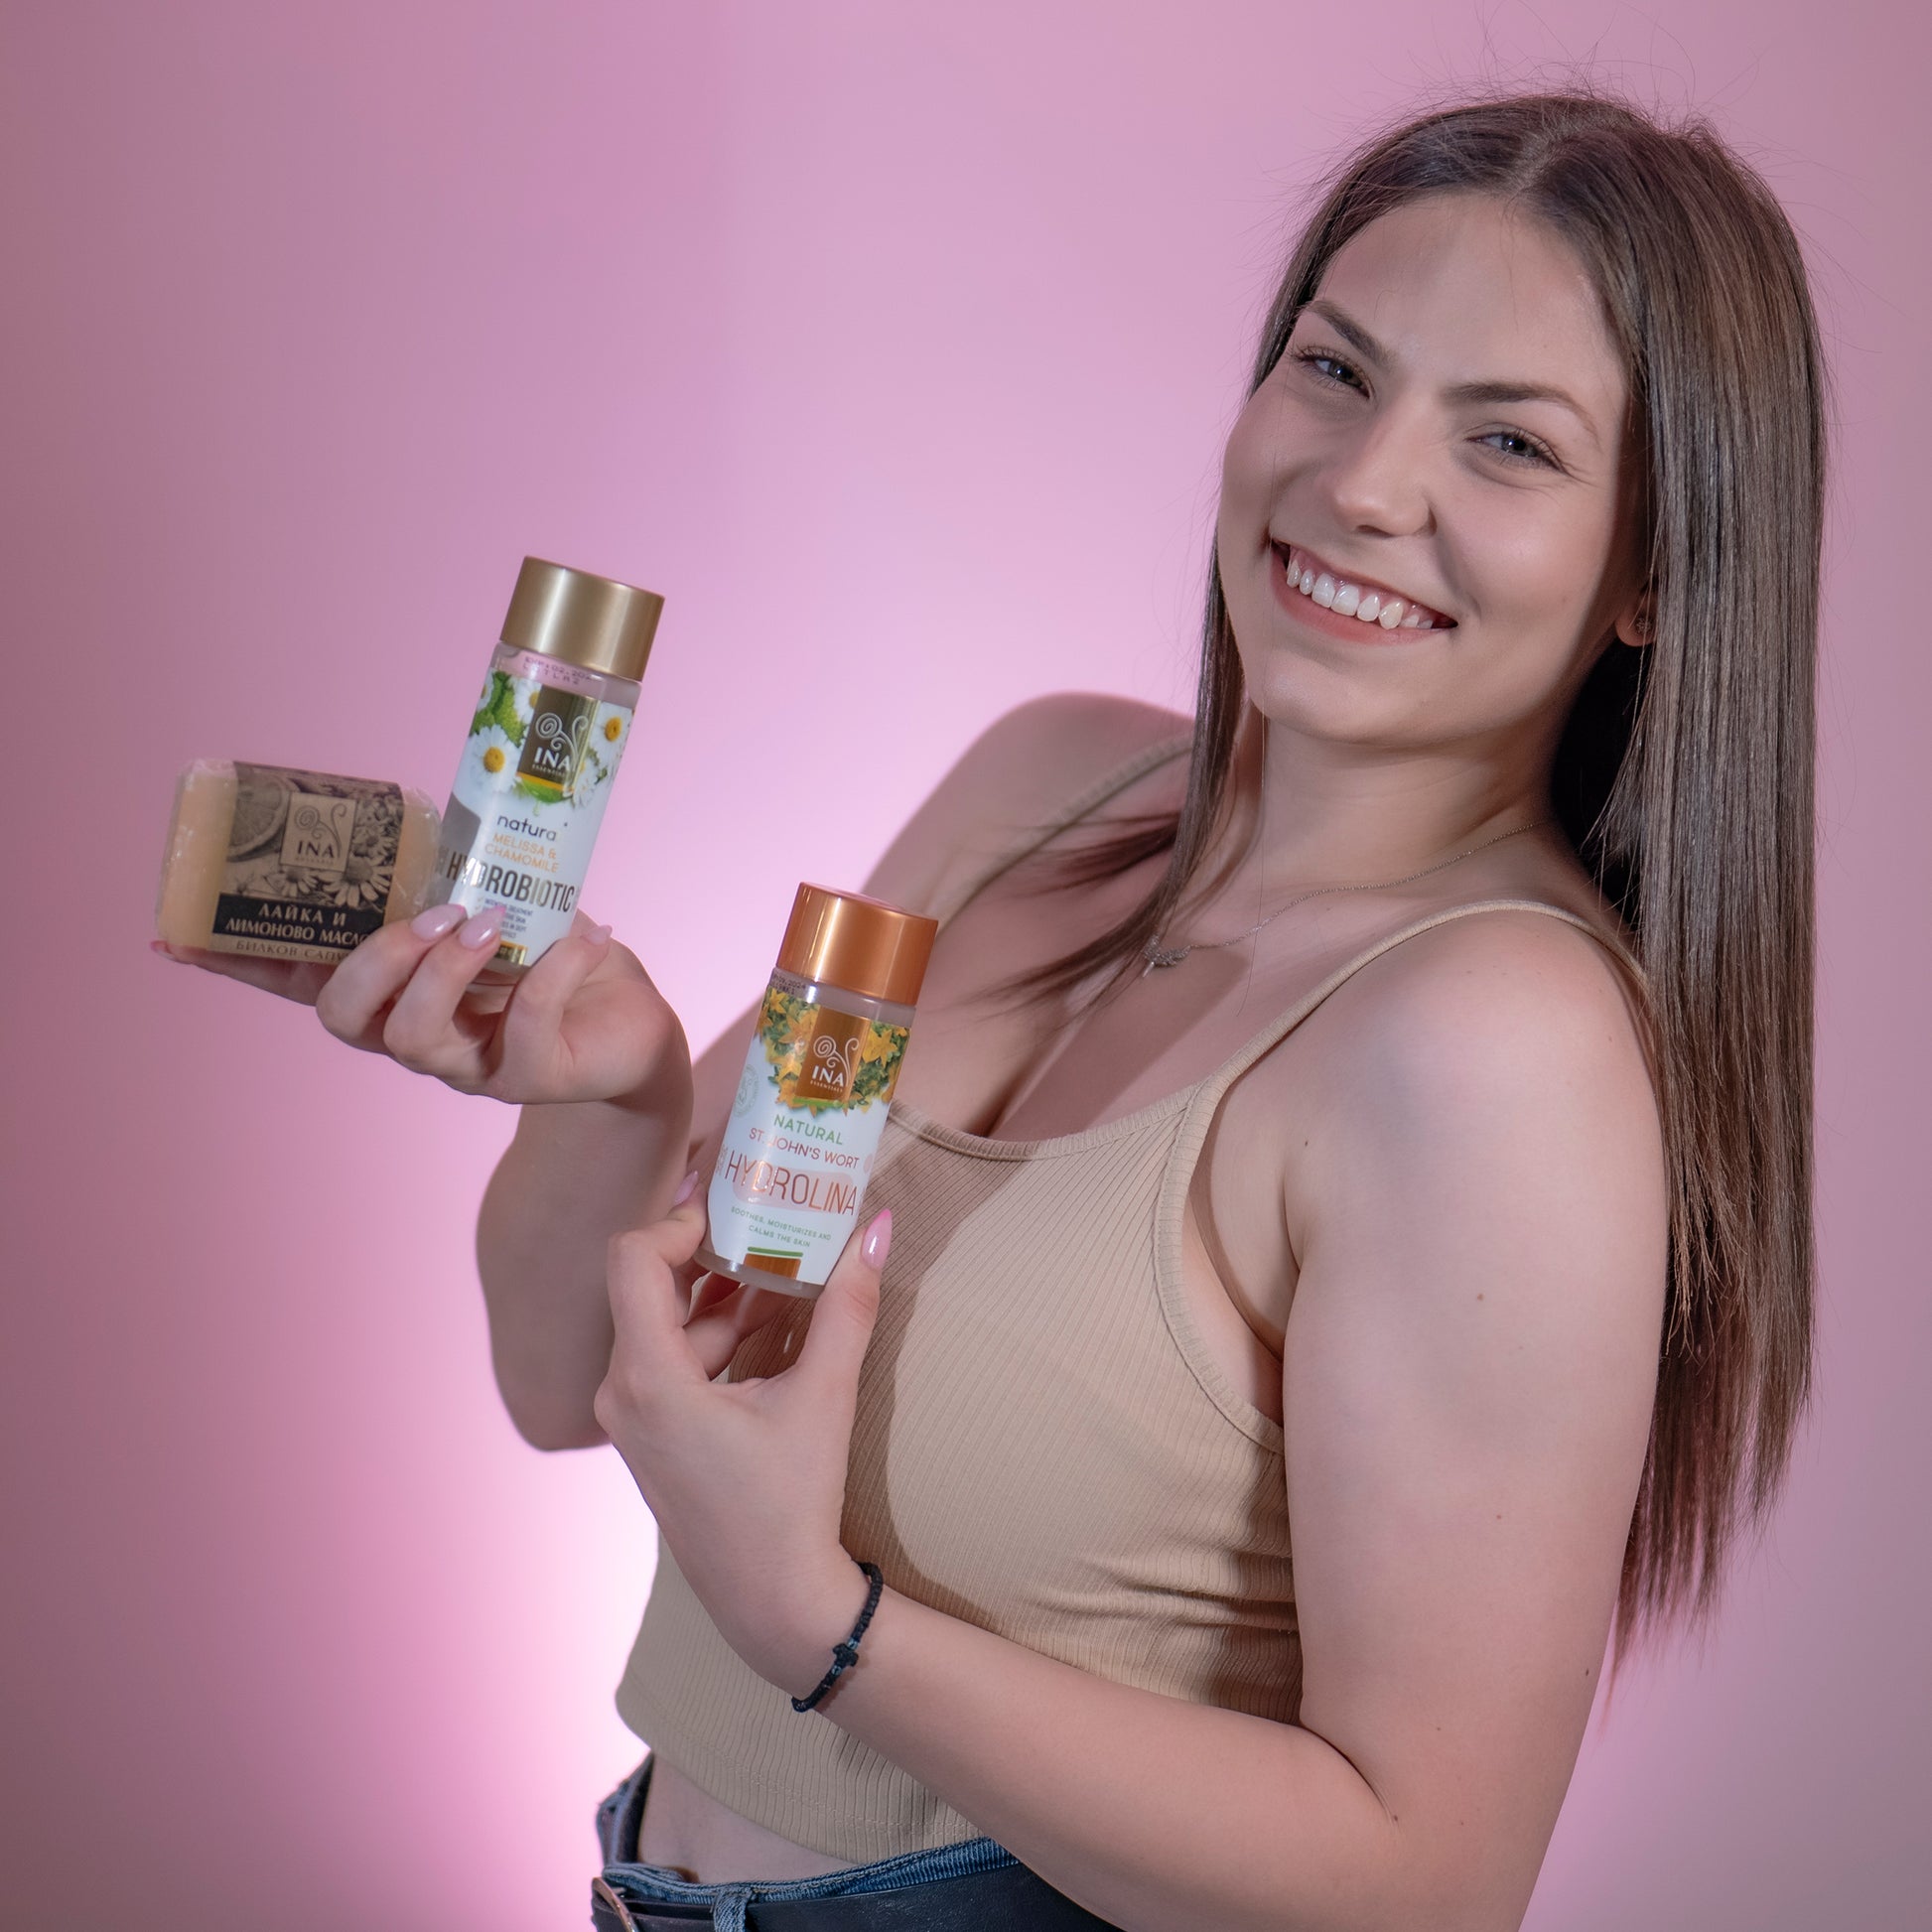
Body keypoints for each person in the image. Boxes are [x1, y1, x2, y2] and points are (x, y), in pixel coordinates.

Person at [159, 88, 1823, 1932]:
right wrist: (611, 1102)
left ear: (1653, 568)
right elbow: (566, 1382)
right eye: (1334, 370)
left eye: (1507, 441)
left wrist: (822, 1623)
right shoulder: (1042, 789)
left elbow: (1422, 1888)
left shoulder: (1496, 1044)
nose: (1362, 484)